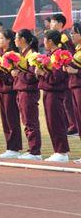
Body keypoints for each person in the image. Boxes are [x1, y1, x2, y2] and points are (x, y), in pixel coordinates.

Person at [37, 30, 70, 162]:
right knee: (51, 121)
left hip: (56, 92)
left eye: (44, 40)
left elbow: (58, 77)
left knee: (57, 121)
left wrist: (43, 72)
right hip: (48, 91)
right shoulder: (50, 54)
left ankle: (62, 152)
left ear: (50, 41)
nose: (43, 42)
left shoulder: (58, 55)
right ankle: (57, 150)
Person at [0, 30, 22, 158]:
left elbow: (14, 74)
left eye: (1, 38)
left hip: (11, 90)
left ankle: (14, 147)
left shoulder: (13, 55)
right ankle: (10, 146)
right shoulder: (0, 54)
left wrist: (1, 75)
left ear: (9, 40)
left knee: (11, 118)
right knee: (5, 119)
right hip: (2, 89)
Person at [13, 30, 42, 159]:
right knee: (26, 121)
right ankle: (31, 149)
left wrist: (18, 73)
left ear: (23, 39)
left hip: (29, 91)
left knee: (31, 121)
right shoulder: (22, 54)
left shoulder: (32, 54)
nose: (15, 40)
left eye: (16, 37)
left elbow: (32, 76)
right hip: (21, 90)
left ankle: (35, 151)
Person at [49, 13, 77, 136]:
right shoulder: (56, 36)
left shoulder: (63, 37)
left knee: (68, 101)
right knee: (64, 101)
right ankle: (69, 124)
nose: (51, 24)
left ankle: (73, 125)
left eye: (53, 22)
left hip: (65, 74)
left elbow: (69, 53)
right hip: (59, 72)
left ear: (60, 23)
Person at [65, 23, 81, 164]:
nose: (72, 35)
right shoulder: (77, 51)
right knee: (79, 121)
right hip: (75, 88)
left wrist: (77, 71)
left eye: (74, 33)